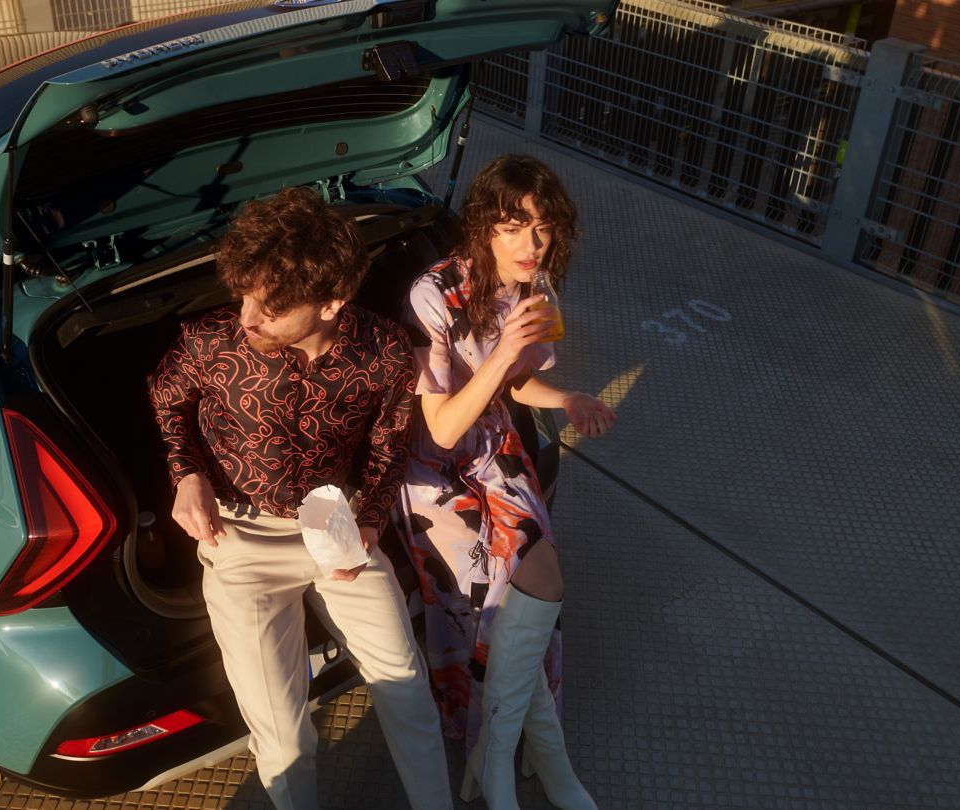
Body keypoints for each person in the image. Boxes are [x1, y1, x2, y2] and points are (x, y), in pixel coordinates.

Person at [147, 187, 451, 810]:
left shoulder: (384, 351)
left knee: (406, 687)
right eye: (246, 294)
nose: (247, 317)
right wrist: (186, 474)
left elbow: (391, 443)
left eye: (271, 305)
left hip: (338, 527)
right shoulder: (211, 342)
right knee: (282, 737)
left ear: (332, 302)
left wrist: (367, 524)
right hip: (239, 542)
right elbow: (166, 397)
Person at [395, 155, 616, 810]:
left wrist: (567, 398)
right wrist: (497, 358)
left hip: (497, 448)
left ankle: (508, 757)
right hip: (435, 474)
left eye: (544, 228)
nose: (532, 244)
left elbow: (518, 384)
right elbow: (438, 427)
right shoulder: (431, 295)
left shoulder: (536, 289)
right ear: (483, 225)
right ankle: (521, 761)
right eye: (515, 226)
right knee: (481, 606)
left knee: (539, 584)